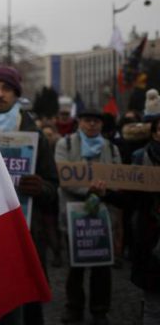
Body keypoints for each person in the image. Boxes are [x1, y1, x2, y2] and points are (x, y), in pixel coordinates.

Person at [0, 65, 58, 324]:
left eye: (6, 88)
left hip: (24, 234)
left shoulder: (34, 132)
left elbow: (52, 185)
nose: (0, 94)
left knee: (24, 307)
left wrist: (41, 187)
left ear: (16, 94)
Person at [56, 108, 120, 325]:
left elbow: (118, 177)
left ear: (101, 125)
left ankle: (100, 310)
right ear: (79, 123)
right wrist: (91, 189)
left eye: (96, 122)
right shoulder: (64, 144)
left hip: (102, 217)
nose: (92, 125)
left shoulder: (111, 148)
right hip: (73, 215)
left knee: (102, 268)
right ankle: (74, 308)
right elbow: (64, 176)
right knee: (75, 268)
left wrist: (106, 190)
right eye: (87, 121)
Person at [130, 116, 160, 324]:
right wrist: (104, 192)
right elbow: (129, 198)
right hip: (150, 236)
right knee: (153, 303)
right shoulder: (140, 157)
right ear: (154, 132)